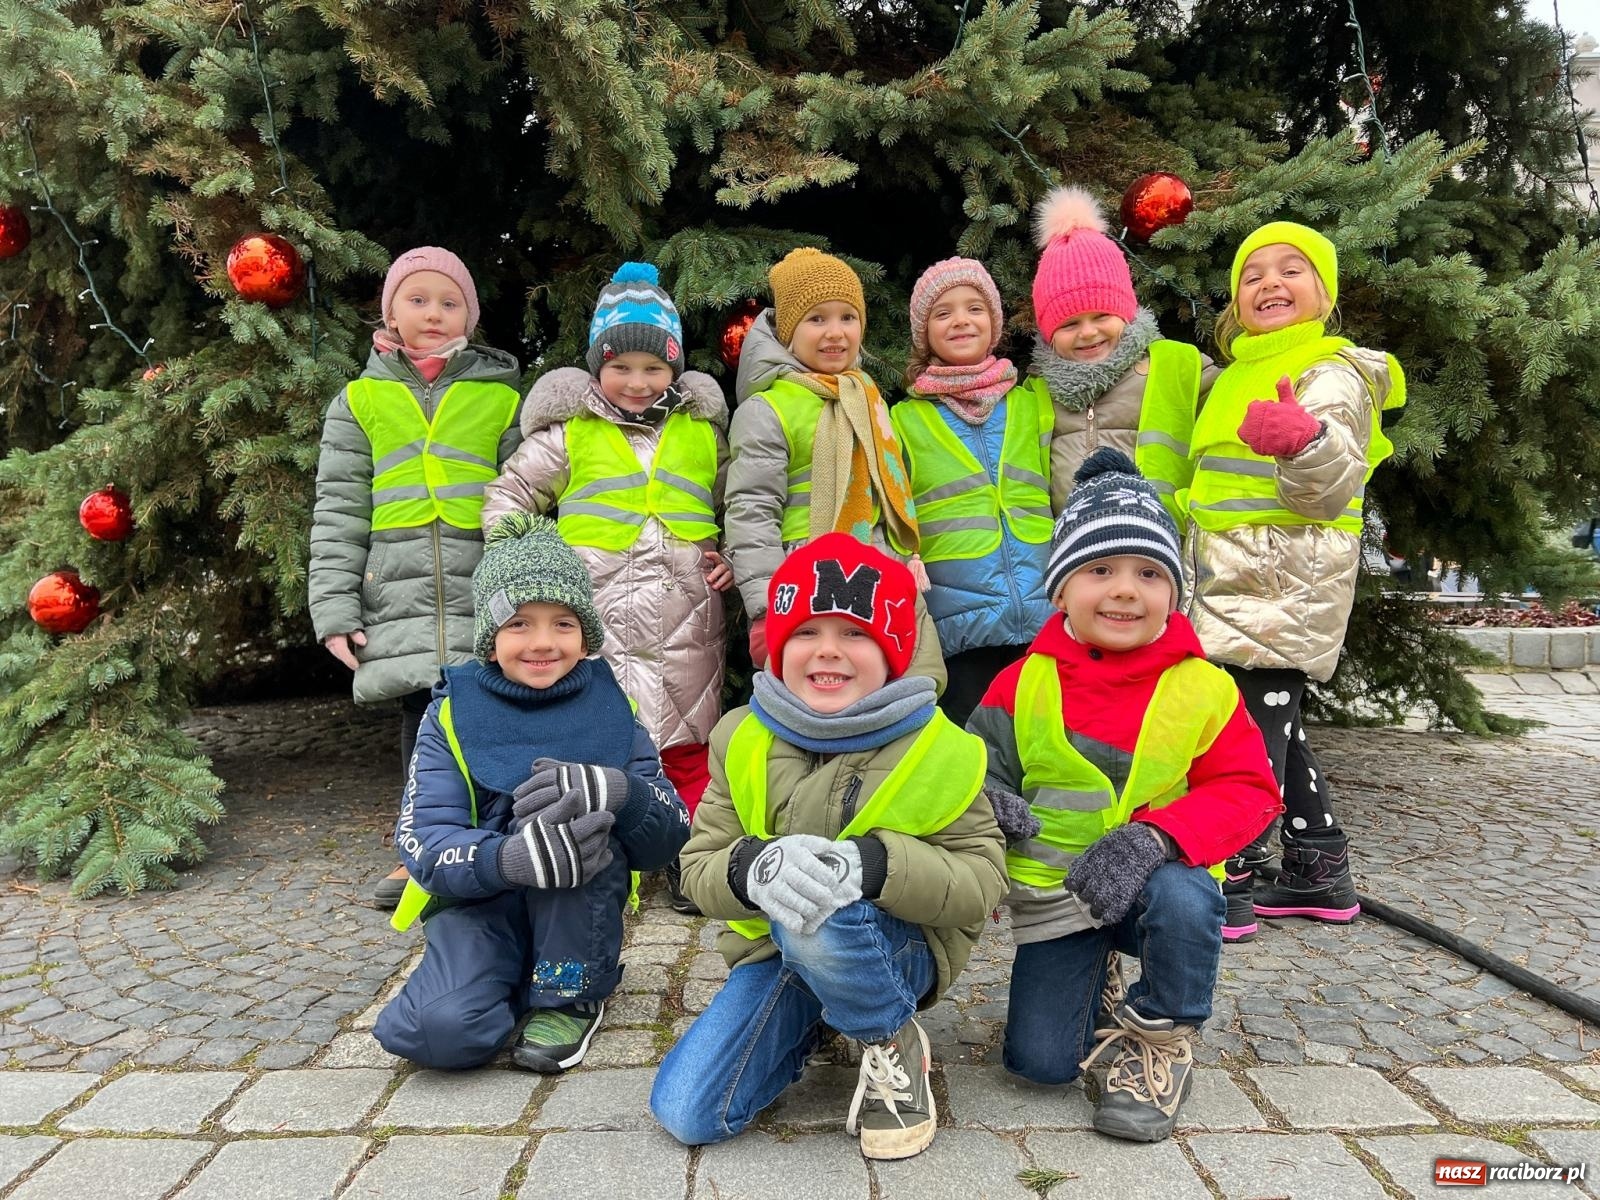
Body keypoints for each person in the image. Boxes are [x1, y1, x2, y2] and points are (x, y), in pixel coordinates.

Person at [650, 535, 1007, 1161]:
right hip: (777, 950)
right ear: (781, 645)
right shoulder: (741, 735)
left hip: (899, 950)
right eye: (807, 632)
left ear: (894, 653)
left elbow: (982, 882)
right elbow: (698, 865)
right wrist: (752, 867)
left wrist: (874, 865)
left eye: (856, 635)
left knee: (819, 911)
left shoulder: (938, 746)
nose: (828, 652)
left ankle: (890, 1034)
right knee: (688, 1110)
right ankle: (822, 1011)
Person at [970, 449, 1280, 1142]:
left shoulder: (1205, 687)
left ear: (1174, 591)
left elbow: (1249, 790)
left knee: (1186, 892)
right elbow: (976, 768)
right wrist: (990, 804)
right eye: (1098, 570)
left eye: (1148, 573)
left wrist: (1158, 838)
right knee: (1040, 1065)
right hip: (1059, 898)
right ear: (1060, 590)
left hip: (1153, 893)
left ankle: (1161, 1038)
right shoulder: (1020, 683)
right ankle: (1097, 977)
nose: (1124, 591)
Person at [372, 513, 689, 1072]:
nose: (543, 642)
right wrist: (508, 859)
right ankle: (509, 970)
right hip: (479, 902)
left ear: (585, 634)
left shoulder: (614, 711)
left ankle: (568, 991)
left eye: (563, 623)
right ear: (490, 640)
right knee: (435, 1032)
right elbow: (423, 842)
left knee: (575, 824)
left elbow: (671, 833)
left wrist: (621, 792)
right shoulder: (449, 714)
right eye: (519, 623)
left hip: (577, 900)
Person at [483, 262, 730, 914]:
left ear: (675, 369)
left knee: (688, 742)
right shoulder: (571, 434)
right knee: (600, 738)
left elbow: (739, 503)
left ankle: (686, 856)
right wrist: (535, 570)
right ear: (598, 367)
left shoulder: (704, 434)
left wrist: (730, 557)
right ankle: (606, 861)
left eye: (654, 368)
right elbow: (509, 497)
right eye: (621, 367)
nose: (638, 382)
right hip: (599, 606)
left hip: (688, 609)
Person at [1181, 222, 1405, 940]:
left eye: (1292, 270)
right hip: (1231, 580)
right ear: (1235, 303)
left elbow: (1332, 478)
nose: (1270, 283)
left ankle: (1233, 877)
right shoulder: (1235, 374)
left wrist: (1306, 442)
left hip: (1285, 583)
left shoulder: (1331, 369)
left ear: (1324, 294)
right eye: (1253, 275)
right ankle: (1317, 864)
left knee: (1246, 739)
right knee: (1275, 728)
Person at [309, 246, 524, 909]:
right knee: (422, 719)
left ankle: (498, 844)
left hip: (480, 579)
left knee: (490, 709)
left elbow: (530, 493)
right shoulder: (360, 401)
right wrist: (335, 607)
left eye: (449, 301)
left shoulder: (500, 396)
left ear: (470, 315)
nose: (433, 313)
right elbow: (338, 507)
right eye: (418, 299)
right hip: (394, 589)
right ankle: (423, 850)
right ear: (391, 312)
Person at [724, 247, 946, 687]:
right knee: (821, 698)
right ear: (789, 332)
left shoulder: (868, 398)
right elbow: (751, 511)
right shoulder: (768, 409)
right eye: (817, 319)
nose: (835, 333)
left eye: (848, 317)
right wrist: (769, 605)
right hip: (805, 585)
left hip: (878, 577)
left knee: (895, 693)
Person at [891, 257, 1054, 727]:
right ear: (924, 334)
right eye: (943, 313)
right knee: (978, 755)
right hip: (960, 632)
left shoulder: (1033, 403)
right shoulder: (904, 420)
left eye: (974, 308)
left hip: (1046, 617)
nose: (961, 320)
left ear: (995, 323)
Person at [1015, 187, 1218, 520]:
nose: (1088, 332)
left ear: (1125, 312)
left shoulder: (1176, 367)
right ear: (1049, 335)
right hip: (1076, 553)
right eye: (1069, 324)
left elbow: (1233, 419)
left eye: (1101, 316)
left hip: (1160, 546)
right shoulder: (1037, 393)